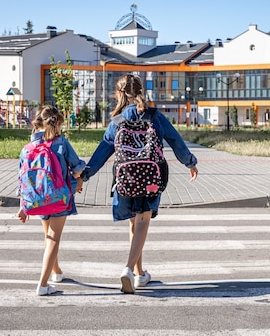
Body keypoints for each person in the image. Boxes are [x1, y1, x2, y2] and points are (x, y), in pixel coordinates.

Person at [80, 74, 198, 294]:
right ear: (141, 91)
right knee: (143, 220)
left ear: (119, 94)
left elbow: (102, 151)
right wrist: (190, 162)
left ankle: (139, 273)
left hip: (126, 178)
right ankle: (127, 269)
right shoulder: (154, 116)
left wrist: (84, 176)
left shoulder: (117, 121)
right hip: (151, 178)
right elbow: (175, 140)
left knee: (134, 223)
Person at [16, 105, 86, 296]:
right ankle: (43, 284)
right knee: (54, 239)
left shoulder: (27, 149)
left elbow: (22, 179)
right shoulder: (61, 143)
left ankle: (56, 271)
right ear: (56, 125)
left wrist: (23, 207)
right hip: (58, 198)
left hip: (36, 199)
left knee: (48, 237)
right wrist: (78, 179)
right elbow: (77, 167)